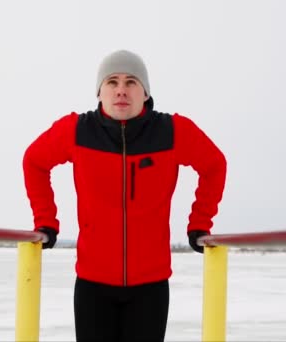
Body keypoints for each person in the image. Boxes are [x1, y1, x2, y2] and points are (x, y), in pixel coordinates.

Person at [22, 49, 227, 342]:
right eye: (112, 82)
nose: (121, 90)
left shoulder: (172, 131)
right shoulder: (77, 131)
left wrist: (199, 223)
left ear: (145, 92)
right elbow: (34, 161)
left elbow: (214, 165)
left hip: (151, 285)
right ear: (100, 92)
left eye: (131, 82)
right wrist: (46, 221)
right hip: (93, 284)